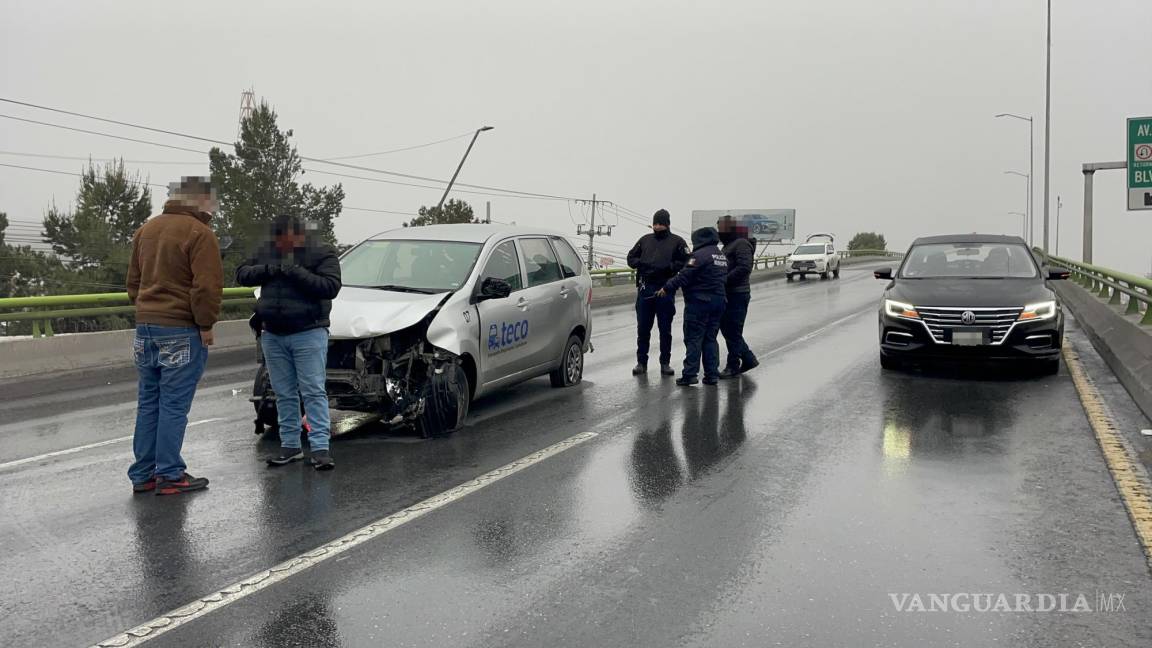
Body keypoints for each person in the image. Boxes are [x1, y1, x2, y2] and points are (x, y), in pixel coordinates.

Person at [126, 176, 223, 496]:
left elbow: (133, 283)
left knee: (148, 401)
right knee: (173, 404)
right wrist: (206, 324)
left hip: (145, 328)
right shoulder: (200, 234)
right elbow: (206, 287)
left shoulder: (146, 229)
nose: (214, 207)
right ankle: (169, 473)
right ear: (199, 201)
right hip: (181, 328)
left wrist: (146, 308)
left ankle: (143, 474)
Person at [237, 216, 342, 471]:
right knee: (283, 393)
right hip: (273, 334)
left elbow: (330, 287)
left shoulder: (322, 252)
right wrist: (270, 269)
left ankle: (320, 449)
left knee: (313, 391)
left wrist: (296, 272)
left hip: (309, 332)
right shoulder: (267, 253)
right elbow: (242, 274)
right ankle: (290, 446)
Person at [656, 227, 728, 386]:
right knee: (710, 338)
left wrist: (666, 288)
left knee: (693, 338)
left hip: (700, 302)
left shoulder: (699, 256)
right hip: (719, 302)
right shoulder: (720, 255)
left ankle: (690, 374)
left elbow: (684, 275)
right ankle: (711, 375)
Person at [626, 209, 690, 376]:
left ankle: (665, 363)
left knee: (665, 329)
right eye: (655, 223)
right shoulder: (645, 240)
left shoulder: (678, 242)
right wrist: (642, 263)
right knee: (643, 329)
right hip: (646, 288)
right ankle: (641, 362)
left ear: (667, 224)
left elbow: (686, 262)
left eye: (661, 223)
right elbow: (630, 258)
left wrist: (670, 267)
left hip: (665, 288)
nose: (657, 226)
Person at [717, 218, 760, 378]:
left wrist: (724, 279)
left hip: (738, 293)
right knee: (728, 330)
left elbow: (744, 267)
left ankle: (735, 364)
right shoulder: (728, 245)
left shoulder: (741, 244)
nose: (719, 232)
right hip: (727, 293)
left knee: (732, 331)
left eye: (721, 228)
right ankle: (746, 359)